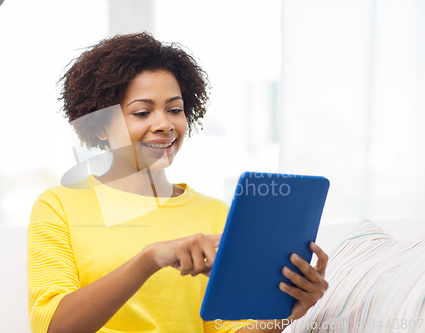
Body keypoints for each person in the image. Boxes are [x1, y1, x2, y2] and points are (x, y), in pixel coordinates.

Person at [27, 32, 329, 333]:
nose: (165, 124)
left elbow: (226, 328)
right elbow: (54, 327)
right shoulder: (59, 206)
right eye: (142, 112)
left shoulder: (217, 215)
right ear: (102, 125)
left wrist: (286, 315)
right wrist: (150, 259)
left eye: (174, 109)